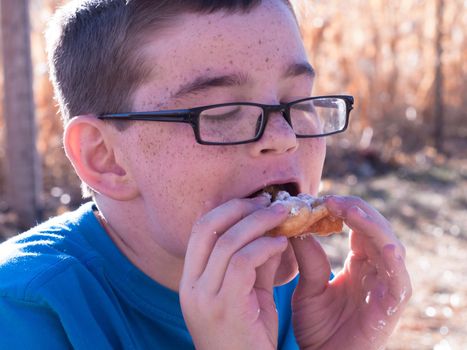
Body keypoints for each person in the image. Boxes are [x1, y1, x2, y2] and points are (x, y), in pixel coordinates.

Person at [0, 0, 411, 349]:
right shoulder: (23, 311)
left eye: (297, 101)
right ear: (105, 157)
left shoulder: (294, 291)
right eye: (223, 113)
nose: (284, 137)